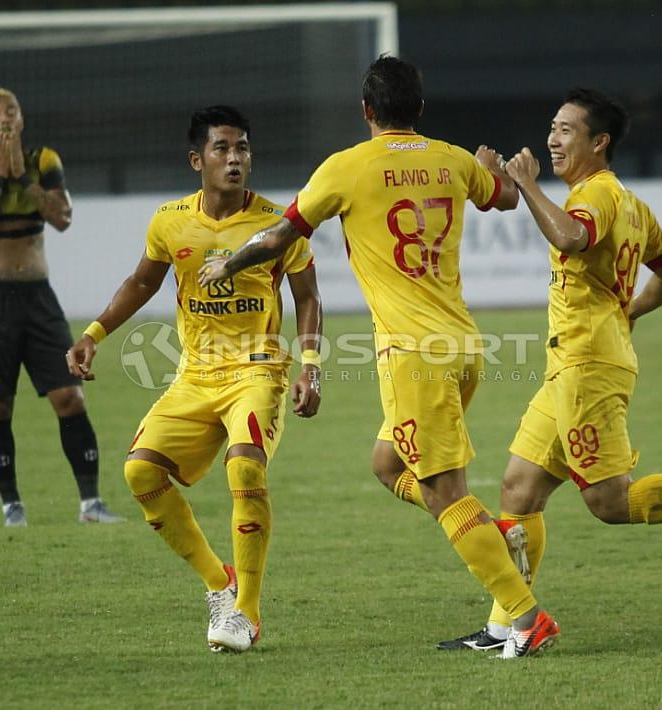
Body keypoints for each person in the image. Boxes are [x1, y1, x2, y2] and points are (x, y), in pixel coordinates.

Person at [199, 56, 556, 660]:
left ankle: (525, 617)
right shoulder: (451, 157)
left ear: (366, 111)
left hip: (414, 356)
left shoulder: (345, 168)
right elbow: (500, 198)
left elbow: (280, 236)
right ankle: (496, 536)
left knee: (446, 493)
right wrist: (498, 171)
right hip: (464, 346)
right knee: (389, 464)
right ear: (420, 108)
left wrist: (227, 262)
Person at [436, 87, 662, 653]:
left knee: (610, 503)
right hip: (572, 364)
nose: (553, 139)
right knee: (518, 490)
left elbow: (571, 237)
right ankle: (506, 626)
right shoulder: (632, 203)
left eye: (566, 131)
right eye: (551, 128)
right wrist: (625, 311)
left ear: (598, 143)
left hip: (589, 367)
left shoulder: (597, 196)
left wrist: (526, 183)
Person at [67, 106, 323, 654]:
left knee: (246, 464)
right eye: (223, 148)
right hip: (195, 375)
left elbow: (308, 298)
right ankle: (219, 582)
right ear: (196, 159)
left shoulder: (280, 224)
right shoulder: (170, 221)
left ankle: (247, 614)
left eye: (243, 149)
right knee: (139, 473)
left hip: (256, 370)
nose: (235, 159)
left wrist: (311, 368)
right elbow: (141, 283)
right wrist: (93, 333)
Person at [0, 87, 122, 527]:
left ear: (22, 120)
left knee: (69, 397)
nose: (3, 117)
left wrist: (24, 178)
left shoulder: (44, 161)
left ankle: (91, 504)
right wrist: (2, 180)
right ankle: (12, 507)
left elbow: (62, 218)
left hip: (38, 298)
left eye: (11, 110)